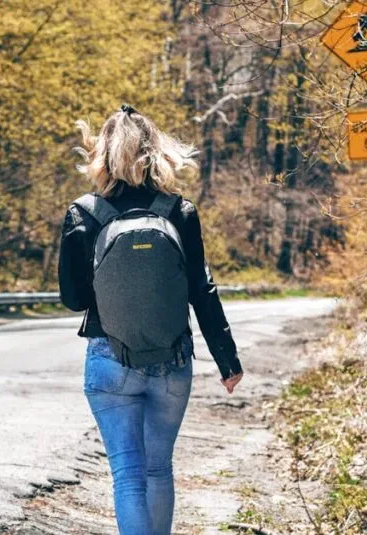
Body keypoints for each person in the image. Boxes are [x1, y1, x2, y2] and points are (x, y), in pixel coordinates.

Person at [58, 104, 243, 534]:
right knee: (158, 469)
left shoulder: (82, 214)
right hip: (172, 359)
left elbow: (72, 299)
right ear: (157, 152)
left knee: (128, 476)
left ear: (101, 153)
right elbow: (202, 290)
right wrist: (227, 360)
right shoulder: (179, 211)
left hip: (109, 358)